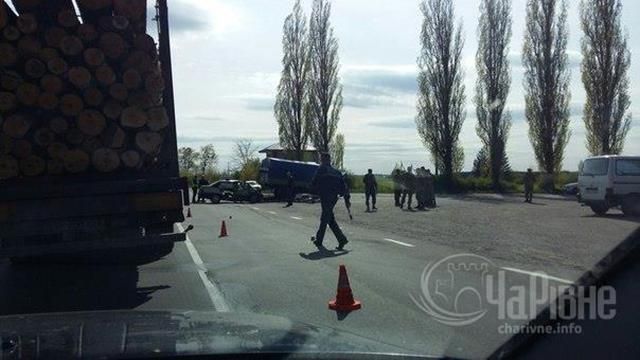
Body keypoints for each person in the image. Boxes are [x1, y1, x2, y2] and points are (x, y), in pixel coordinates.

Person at [310, 153, 349, 250]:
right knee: (330, 219)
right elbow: (343, 187)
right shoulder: (336, 172)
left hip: (325, 196)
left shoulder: (322, 169)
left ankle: (319, 240)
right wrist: (345, 197)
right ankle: (342, 239)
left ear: (323, 159)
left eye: (321, 159)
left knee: (324, 218)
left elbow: (314, 182)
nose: (321, 161)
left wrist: (312, 191)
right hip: (334, 197)